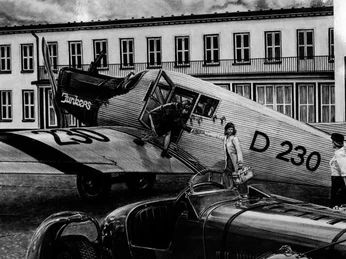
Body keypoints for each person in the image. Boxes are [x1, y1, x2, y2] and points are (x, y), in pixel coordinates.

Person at [194, 122, 244, 188]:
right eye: (229, 129)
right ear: (226, 130)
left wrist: (240, 162)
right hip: (228, 159)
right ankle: (231, 187)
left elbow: (239, 150)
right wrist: (203, 132)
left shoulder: (234, 138)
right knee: (229, 174)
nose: (230, 131)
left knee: (230, 174)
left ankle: (231, 188)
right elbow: (216, 135)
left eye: (232, 129)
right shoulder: (225, 138)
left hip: (234, 160)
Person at [329, 133, 346, 208]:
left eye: (332, 141)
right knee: (336, 204)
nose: (331, 143)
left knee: (337, 204)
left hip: (338, 182)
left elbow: (344, 172)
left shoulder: (340, 154)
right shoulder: (338, 153)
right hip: (336, 181)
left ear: (335, 142)